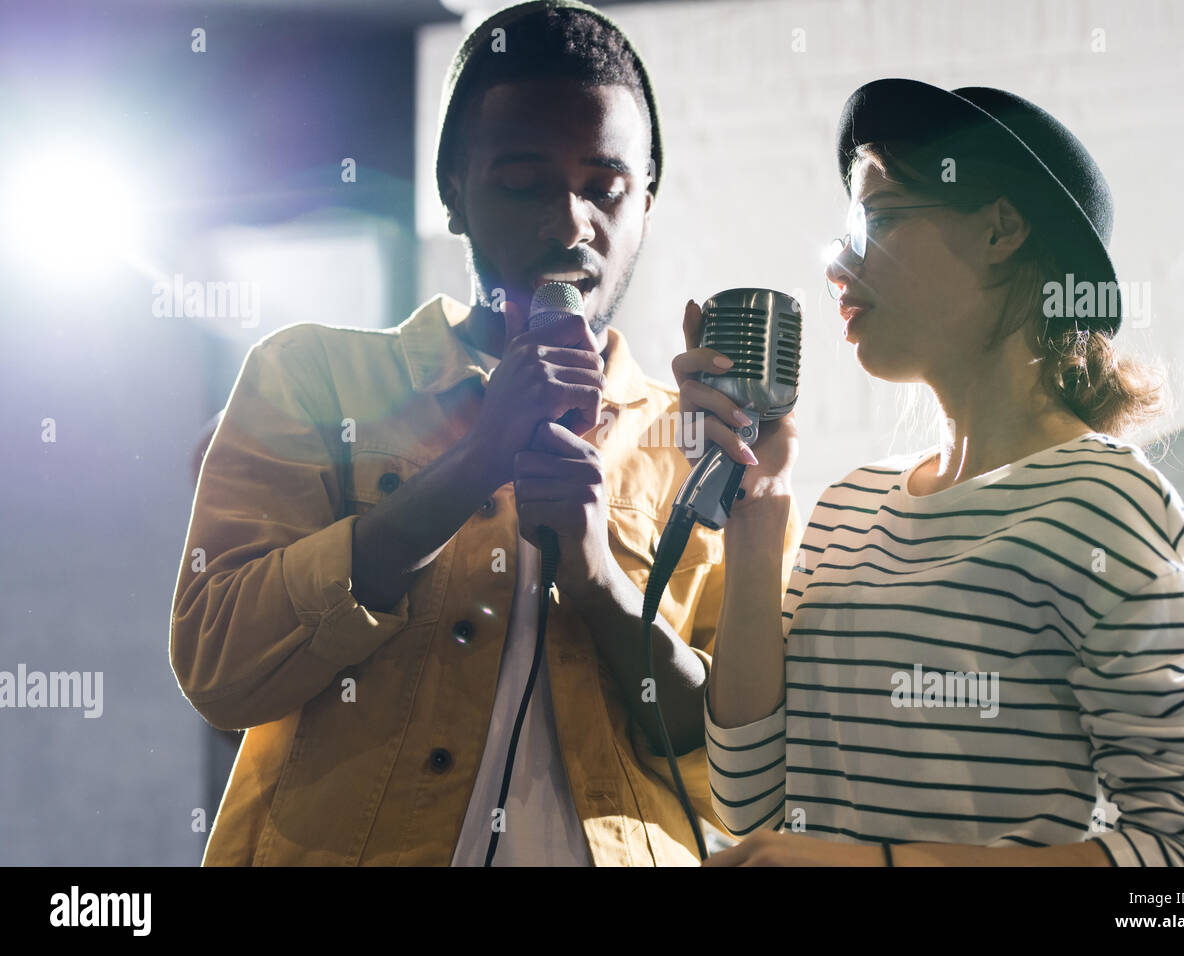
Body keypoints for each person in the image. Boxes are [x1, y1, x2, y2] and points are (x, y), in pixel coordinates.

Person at [169, 0, 802, 867]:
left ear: (646, 204)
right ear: (454, 193)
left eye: (607, 188)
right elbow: (220, 665)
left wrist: (597, 584)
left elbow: (733, 765)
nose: (572, 221)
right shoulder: (310, 377)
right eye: (522, 181)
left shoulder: (697, 441)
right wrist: (469, 469)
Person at [675, 78, 1184, 866]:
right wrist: (758, 509)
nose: (840, 265)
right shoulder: (845, 510)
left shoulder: (1107, 509)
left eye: (873, 219)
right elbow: (749, 800)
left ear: (999, 230)